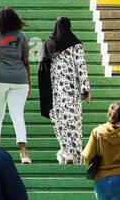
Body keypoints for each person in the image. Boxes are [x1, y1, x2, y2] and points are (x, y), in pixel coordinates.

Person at [0, 7, 33, 164]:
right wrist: (29, 83)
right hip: (20, 79)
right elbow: (26, 61)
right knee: (17, 115)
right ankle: (24, 153)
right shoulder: (21, 36)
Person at [38, 17, 91, 164]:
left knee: (60, 120)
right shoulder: (76, 44)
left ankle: (66, 151)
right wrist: (85, 89)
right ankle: (76, 154)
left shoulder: (50, 44)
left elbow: (43, 67)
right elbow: (81, 68)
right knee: (74, 120)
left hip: (56, 91)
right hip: (72, 90)